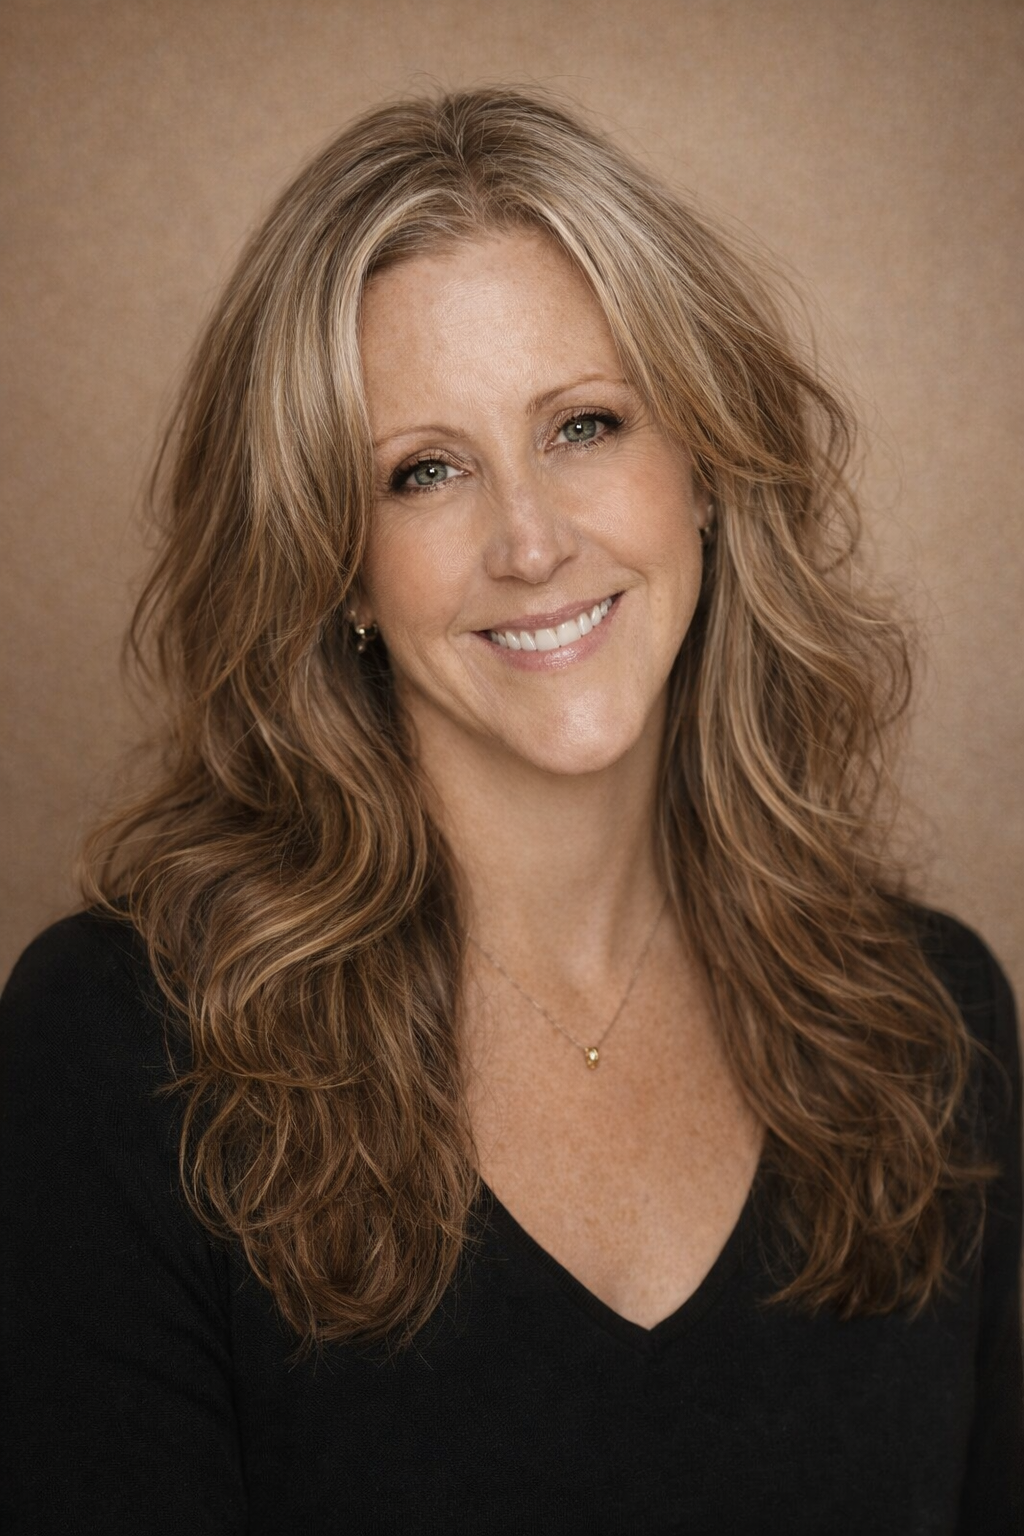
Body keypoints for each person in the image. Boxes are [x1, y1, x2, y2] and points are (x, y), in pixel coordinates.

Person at [0, 87, 1020, 1534]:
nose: (531, 541)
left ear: (708, 474)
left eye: (586, 425)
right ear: (338, 565)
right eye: (424, 471)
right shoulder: (118, 1055)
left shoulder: (932, 1025)